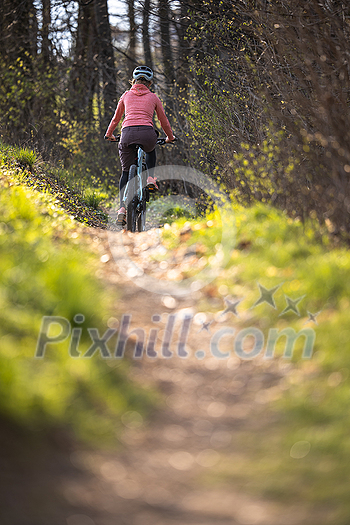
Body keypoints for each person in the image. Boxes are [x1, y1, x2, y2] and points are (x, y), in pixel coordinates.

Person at [104, 65, 176, 225]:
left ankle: (122, 208)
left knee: (125, 172)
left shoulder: (125, 95)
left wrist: (109, 134)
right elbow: (163, 121)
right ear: (149, 83)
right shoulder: (154, 97)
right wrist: (170, 137)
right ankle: (150, 178)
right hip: (147, 133)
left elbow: (116, 119)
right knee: (150, 150)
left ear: (133, 81)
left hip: (126, 134)